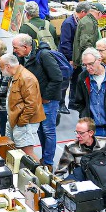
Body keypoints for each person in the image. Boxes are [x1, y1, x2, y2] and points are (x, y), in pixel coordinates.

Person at [13, 33, 62, 164]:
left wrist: (46, 97)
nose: (14, 50)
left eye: (16, 48)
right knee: (40, 130)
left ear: (25, 47)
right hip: (36, 100)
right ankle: (45, 158)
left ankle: (48, 162)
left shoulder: (44, 56)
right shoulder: (22, 57)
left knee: (48, 130)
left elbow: (57, 77)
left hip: (48, 101)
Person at [0, 52, 46, 159]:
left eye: (1, 67)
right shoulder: (14, 76)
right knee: (12, 149)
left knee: (27, 153)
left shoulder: (26, 78)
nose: (0, 70)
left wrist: (21, 122)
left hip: (24, 123)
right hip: (14, 120)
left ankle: (39, 170)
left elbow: (32, 105)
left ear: (8, 66)